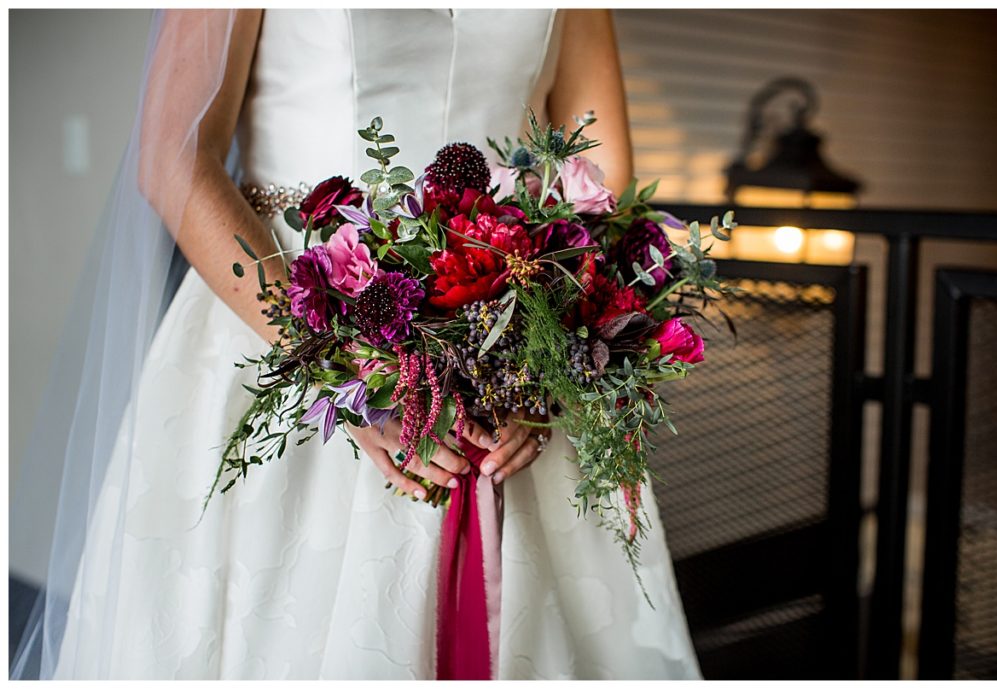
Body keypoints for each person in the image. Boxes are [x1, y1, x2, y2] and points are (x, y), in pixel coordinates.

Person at [13, 9, 703, 679]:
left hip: (512, 343)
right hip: (293, 322)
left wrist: (546, 371)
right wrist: (345, 374)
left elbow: (602, 175)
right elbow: (174, 160)